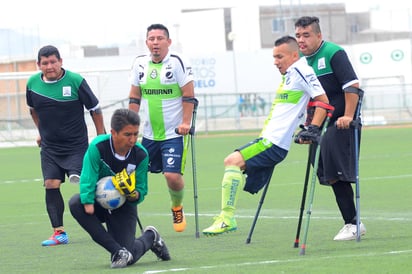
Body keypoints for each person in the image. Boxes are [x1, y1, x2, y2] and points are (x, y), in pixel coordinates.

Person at [203, 36, 330, 235]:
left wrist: (313, 128)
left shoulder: (301, 69)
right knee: (234, 164)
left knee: (231, 161)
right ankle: (225, 217)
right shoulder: (290, 74)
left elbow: (323, 100)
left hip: (274, 143)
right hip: (269, 140)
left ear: (294, 55)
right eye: (274, 57)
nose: (275, 62)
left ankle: (227, 218)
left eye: (279, 57)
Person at [69, 109, 170, 269]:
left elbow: (142, 189)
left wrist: (132, 194)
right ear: (113, 133)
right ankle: (117, 251)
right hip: (98, 202)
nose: (132, 139)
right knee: (76, 203)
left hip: (124, 205)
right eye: (127, 134)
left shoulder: (141, 154)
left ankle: (151, 237)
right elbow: (88, 176)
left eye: (136, 134)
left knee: (130, 256)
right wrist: (88, 202)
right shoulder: (98, 146)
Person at [294, 16, 366, 241]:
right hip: (319, 124)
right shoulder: (302, 63)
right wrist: (308, 126)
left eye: (306, 35)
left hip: (341, 121)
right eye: (298, 36)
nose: (301, 40)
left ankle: (353, 223)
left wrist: (347, 115)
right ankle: (353, 221)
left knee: (336, 169)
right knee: (326, 171)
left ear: (318, 36)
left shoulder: (334, 53)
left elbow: (351, 86)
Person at [26, 45, 106, 246]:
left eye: (53, 61)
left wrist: (101, 136)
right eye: (45, 63)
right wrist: (40, 133)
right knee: (50, 184)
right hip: (50, 148)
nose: (50, 66)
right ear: (39, 65)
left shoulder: (75, 81)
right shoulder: (32, 84)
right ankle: (59, 233)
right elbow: (33, 110)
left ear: (61, 62)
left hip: (76, 146)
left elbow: (95, 109)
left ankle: (107, 217)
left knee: (82, 182)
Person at [128, 23, 195, 232]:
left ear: (168, 41)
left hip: (174, 133)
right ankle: (124, 212)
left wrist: (186, 123)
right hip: (148, 133)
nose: (155, 42)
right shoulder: (139, 63)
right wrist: (130, 125)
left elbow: (189, 95)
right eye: (151, 39)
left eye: (159, 38)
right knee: (133, 173)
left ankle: (177, 207)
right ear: (147, 42)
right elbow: (135, 96)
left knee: (171, 175)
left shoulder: (177, 62)